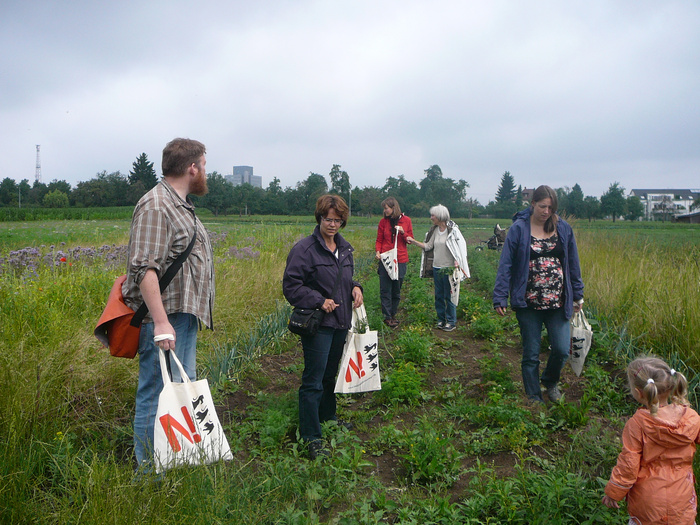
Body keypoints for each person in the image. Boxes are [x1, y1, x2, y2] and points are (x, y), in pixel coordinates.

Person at [123, 138, 215, 471]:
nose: (206, 171)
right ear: (192, 168)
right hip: (165, 319)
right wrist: (161, 323)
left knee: (175, 389)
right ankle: (149, 475)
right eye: (204, 165)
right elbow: (144, 268)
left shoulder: (180, 204)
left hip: (180, 318)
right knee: (155, 393)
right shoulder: (156, 204)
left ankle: (173, 462)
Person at [282, 194, 363, 460]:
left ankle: (328, 417)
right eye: (328, 219)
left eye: (338, 220)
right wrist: (319, 301)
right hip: (319, 325)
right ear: (319, 218)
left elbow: (348, 277)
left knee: (330, 376)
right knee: (313, 380)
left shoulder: (345, 248)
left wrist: (356, 287)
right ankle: (311, 436)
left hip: (341, 322)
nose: (332, 224)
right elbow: (292, 286)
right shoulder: (304, 250)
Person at [493, 185, 583, 403]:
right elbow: (506, 264)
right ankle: (533, 396)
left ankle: (550, 382)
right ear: (532, 204)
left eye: (551, 208)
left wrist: (577, 294)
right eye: (542, 206)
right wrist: (500, 296)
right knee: (531, 353)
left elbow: (572, 263)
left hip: (558, 302)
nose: (546, 211)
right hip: (528, 304)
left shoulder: (563, 229)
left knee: (561, 349)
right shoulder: (519, 229)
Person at [602, 356, 700, 524]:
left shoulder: (638, 423)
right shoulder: (691, 417)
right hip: (682, 499)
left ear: (639, 392)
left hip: (648, 503)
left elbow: (628, 464)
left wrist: (615, 491)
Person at [406, 204, 469, 332]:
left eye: (433, 215)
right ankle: (441, 319)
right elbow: (428, 246)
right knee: (439, 295)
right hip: (437, 268)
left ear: (440, 216)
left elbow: (460, 249)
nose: (431, 217)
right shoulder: (435, 231)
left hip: (449, 269)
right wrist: (413, 241)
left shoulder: (453, 231)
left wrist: (458, 261)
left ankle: (451, 321)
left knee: (450, 295)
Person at [375, 197, 413, 328]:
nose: (385, 211)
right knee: (385, 289)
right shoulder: (382, 222)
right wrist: (378, 251)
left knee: (396, 289)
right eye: (384, 208)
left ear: (393, 208)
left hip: (400, 259)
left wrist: (403, 232)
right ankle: (387, 317)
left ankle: (393, 314)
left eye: (386, 208)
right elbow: (379, 239)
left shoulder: (406, 221)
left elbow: (410, 240)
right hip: (386, 259)